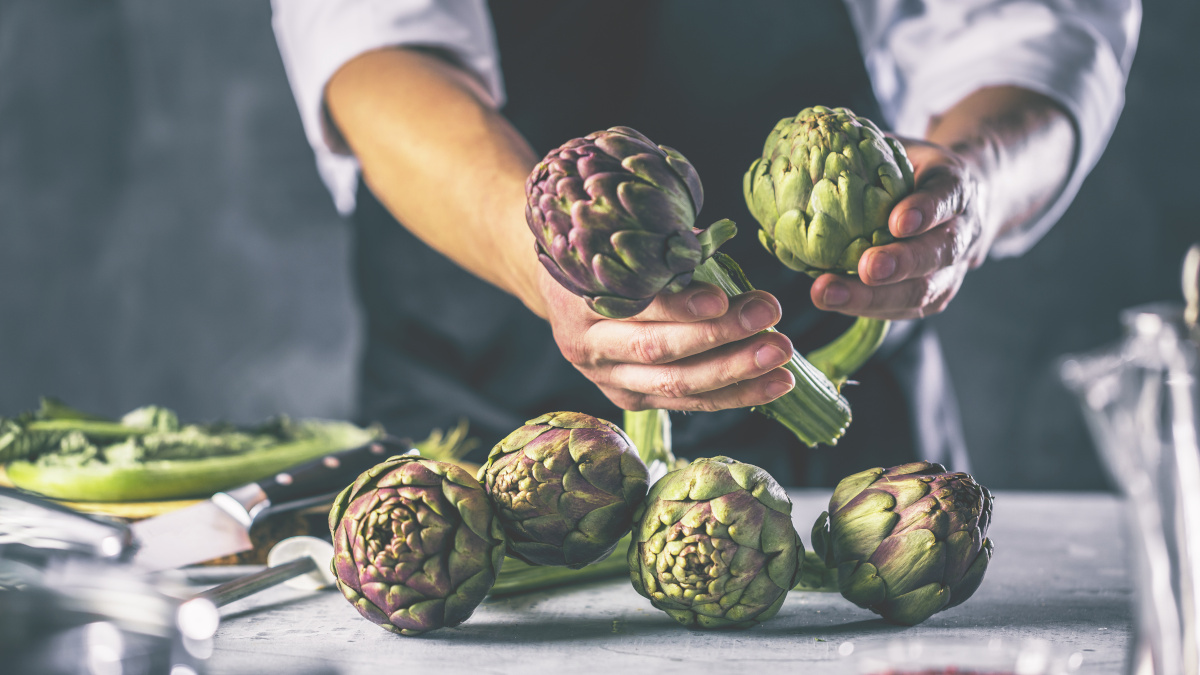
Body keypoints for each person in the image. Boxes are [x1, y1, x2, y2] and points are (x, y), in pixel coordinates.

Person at [269, 0, 1139, 485]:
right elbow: (369, 44)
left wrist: (975, 179)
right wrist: (545, 254)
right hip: (471, 410)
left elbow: (1033, 27)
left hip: (843, 436)